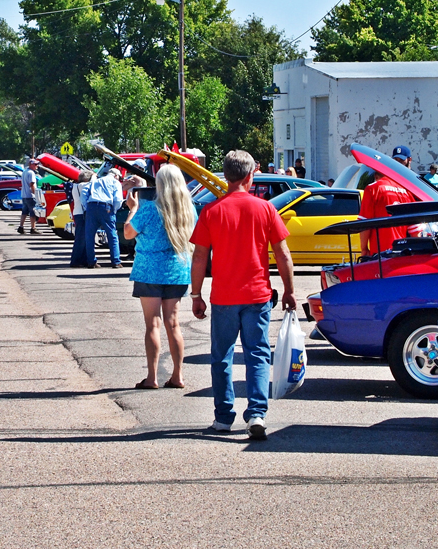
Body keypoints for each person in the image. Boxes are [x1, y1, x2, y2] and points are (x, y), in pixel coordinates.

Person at [189, 150, 296, 440]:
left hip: (224, 297)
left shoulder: (211, 211)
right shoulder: (265, 209)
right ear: (250, 176)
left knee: (221, 357)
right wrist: (288, 290)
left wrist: (196, 294)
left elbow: (199, 257)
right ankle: (257, 414)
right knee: (257, 354)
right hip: (257, 295)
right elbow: (283, 254)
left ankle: (224, 417)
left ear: (225, 176)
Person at [123, 165, 196, 390]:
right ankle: (177, 375)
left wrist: (132, 208)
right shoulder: (188, 211)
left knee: (152, 324)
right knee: (173, 324)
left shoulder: (148, 209)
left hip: (149, 271)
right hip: (177, 271)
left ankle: (152, 377)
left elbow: (128, 233)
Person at [358, 148, 415, 255]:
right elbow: (415, 229)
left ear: (376, 176)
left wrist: (364, 248)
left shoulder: (373, 189)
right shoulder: (407, 191)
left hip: (380, 254)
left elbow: (364, 224)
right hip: (402, 252)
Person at [83, 167, 125, 268]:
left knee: (89, 236)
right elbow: (118, 199)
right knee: (112, 235)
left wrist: (86, 207)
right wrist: (114, 210)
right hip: (106, 207)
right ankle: (116, 261)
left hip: (91, 206)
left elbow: (84, 193)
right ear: (116, 176)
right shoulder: (116, 182)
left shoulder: (96, 181)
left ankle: (91, 262)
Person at [69, 171, 94, 268]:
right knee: (81, 238)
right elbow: (93, 183)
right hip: (82, 213)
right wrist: (94, 176)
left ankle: (83, 259)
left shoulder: (75, 186)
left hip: (77, 212)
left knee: (82, 237)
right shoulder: (83, 185)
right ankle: (76, 260)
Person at [17, 159, 40, 234]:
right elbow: (32, 184)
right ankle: (33, 228)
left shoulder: (25, 172)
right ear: (31, 165)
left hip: (24, 195)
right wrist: (35, 195)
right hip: (30, 195)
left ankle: (21, 227)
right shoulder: (31, 173)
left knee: (24, 212)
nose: (37, 166)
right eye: (35, 164)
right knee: (32, 212)